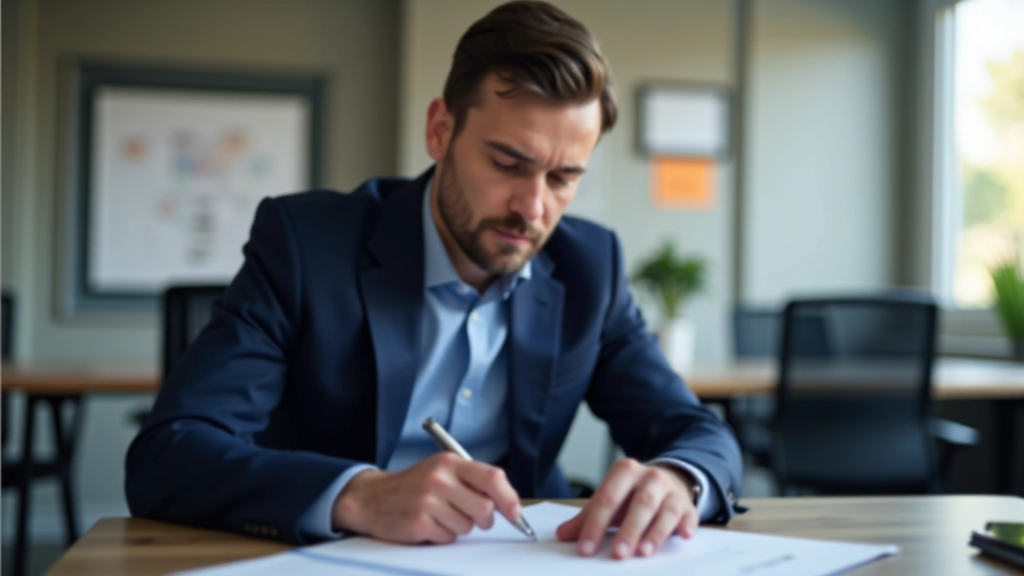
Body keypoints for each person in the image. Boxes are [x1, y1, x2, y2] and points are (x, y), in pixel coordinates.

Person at [125, 0, 742, 561]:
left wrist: (679, 479)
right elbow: (170, 454)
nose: (533, 208)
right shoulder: (307, 245)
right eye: (508, 163)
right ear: (440, 131)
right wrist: (359, 496)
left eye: (562, 178)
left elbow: (697, 433)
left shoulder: (590, 267)